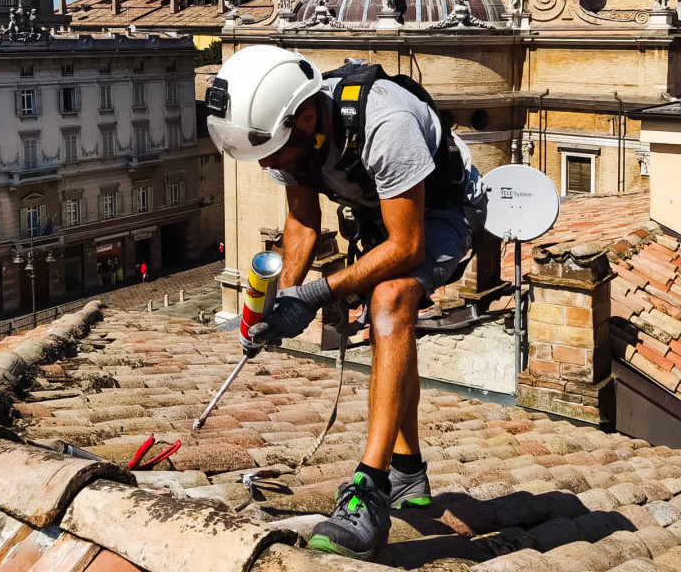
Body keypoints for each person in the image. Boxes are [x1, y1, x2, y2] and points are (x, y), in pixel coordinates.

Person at [206, 46, 486, 560]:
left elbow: (407, 246)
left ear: (308, 118)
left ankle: (371, 489)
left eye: (272, 151)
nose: (267, 162)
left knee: (391, 298)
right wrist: (282, 297)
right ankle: (408, 472)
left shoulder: (387, 122)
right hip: (383, 211)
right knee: (388, 328)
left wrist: (318, 292)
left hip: (447, 209)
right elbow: (302, 221)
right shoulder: (290, 131)